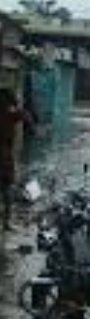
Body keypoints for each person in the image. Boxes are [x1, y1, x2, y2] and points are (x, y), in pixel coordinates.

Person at [0, 89, 24, 230]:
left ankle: (6, 223)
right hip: (4, 159)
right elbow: (24, 115)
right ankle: (6, 223)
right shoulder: (11, 114)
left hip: (5, 157)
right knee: (7, 192)